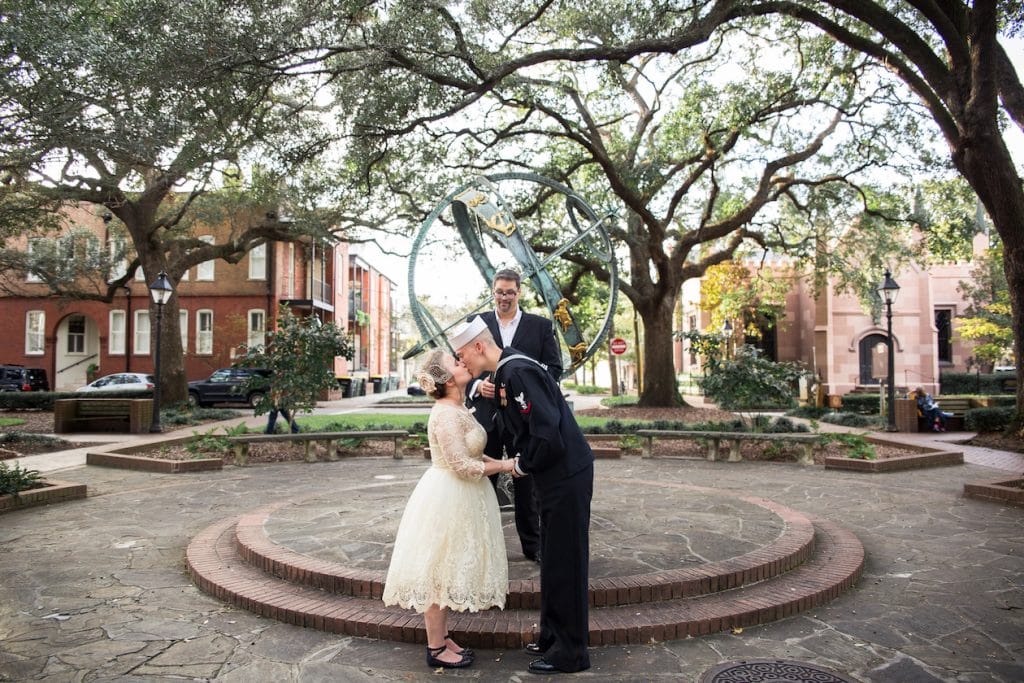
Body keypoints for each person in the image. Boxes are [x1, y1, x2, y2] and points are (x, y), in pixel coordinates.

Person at [450, 317, 593, 675]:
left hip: (565, 475)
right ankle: (551, 636)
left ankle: (570, 652)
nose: (461, 360)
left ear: (479, 347)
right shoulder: (506, 372)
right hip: (555, 475)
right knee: (555, 560)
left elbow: (547, 436)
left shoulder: (515, 373)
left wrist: (519, 465)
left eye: (462, 353)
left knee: (566, 562)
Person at [381, 348, 517, 670]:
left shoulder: (459, 408)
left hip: (465, 496)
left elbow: (472, 452)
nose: (462, 362)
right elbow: (461, 466)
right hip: (448, 496)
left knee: (450, 565)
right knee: (438, 568)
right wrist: (506, 465)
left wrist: (495, 462)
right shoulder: (443, 413)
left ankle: (443, 637)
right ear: (444, 378)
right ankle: (435, 647)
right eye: (454, 363)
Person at [466, 268, 562, 564]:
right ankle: (481, 548)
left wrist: (523, 391)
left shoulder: (541, 327)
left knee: (527, 483)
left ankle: (533, 547)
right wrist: (476, 385)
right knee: (482, 484)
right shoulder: (476, 324)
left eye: (509, 292)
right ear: (492, 292)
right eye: (499, 292)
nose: (504, 297)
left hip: (524, 417)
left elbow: (554, 371)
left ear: (519, 292)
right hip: (485, 418)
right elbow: (461, 364)